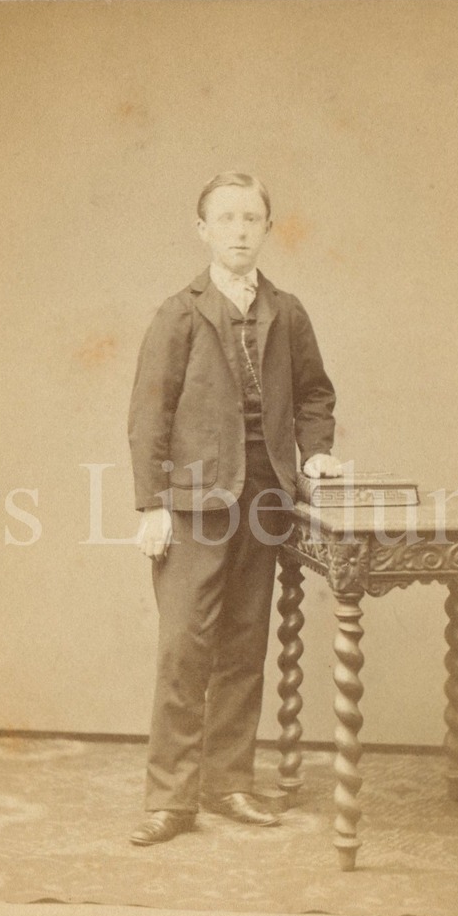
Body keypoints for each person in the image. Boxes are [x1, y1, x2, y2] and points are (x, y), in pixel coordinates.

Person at [127, 172, 341, 846]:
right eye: (226, 218)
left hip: (265, 500)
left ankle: (228, 782)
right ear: (204, 231)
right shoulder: (179, 313)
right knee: (184, 650)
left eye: (252, 218)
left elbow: (314, 395)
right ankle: (170, 799)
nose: (240, 230)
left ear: (266, 229)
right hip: (192, 505)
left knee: (245, 644)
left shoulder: (288, 310)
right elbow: (148, 415)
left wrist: (312, 456)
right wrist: (149, 504)